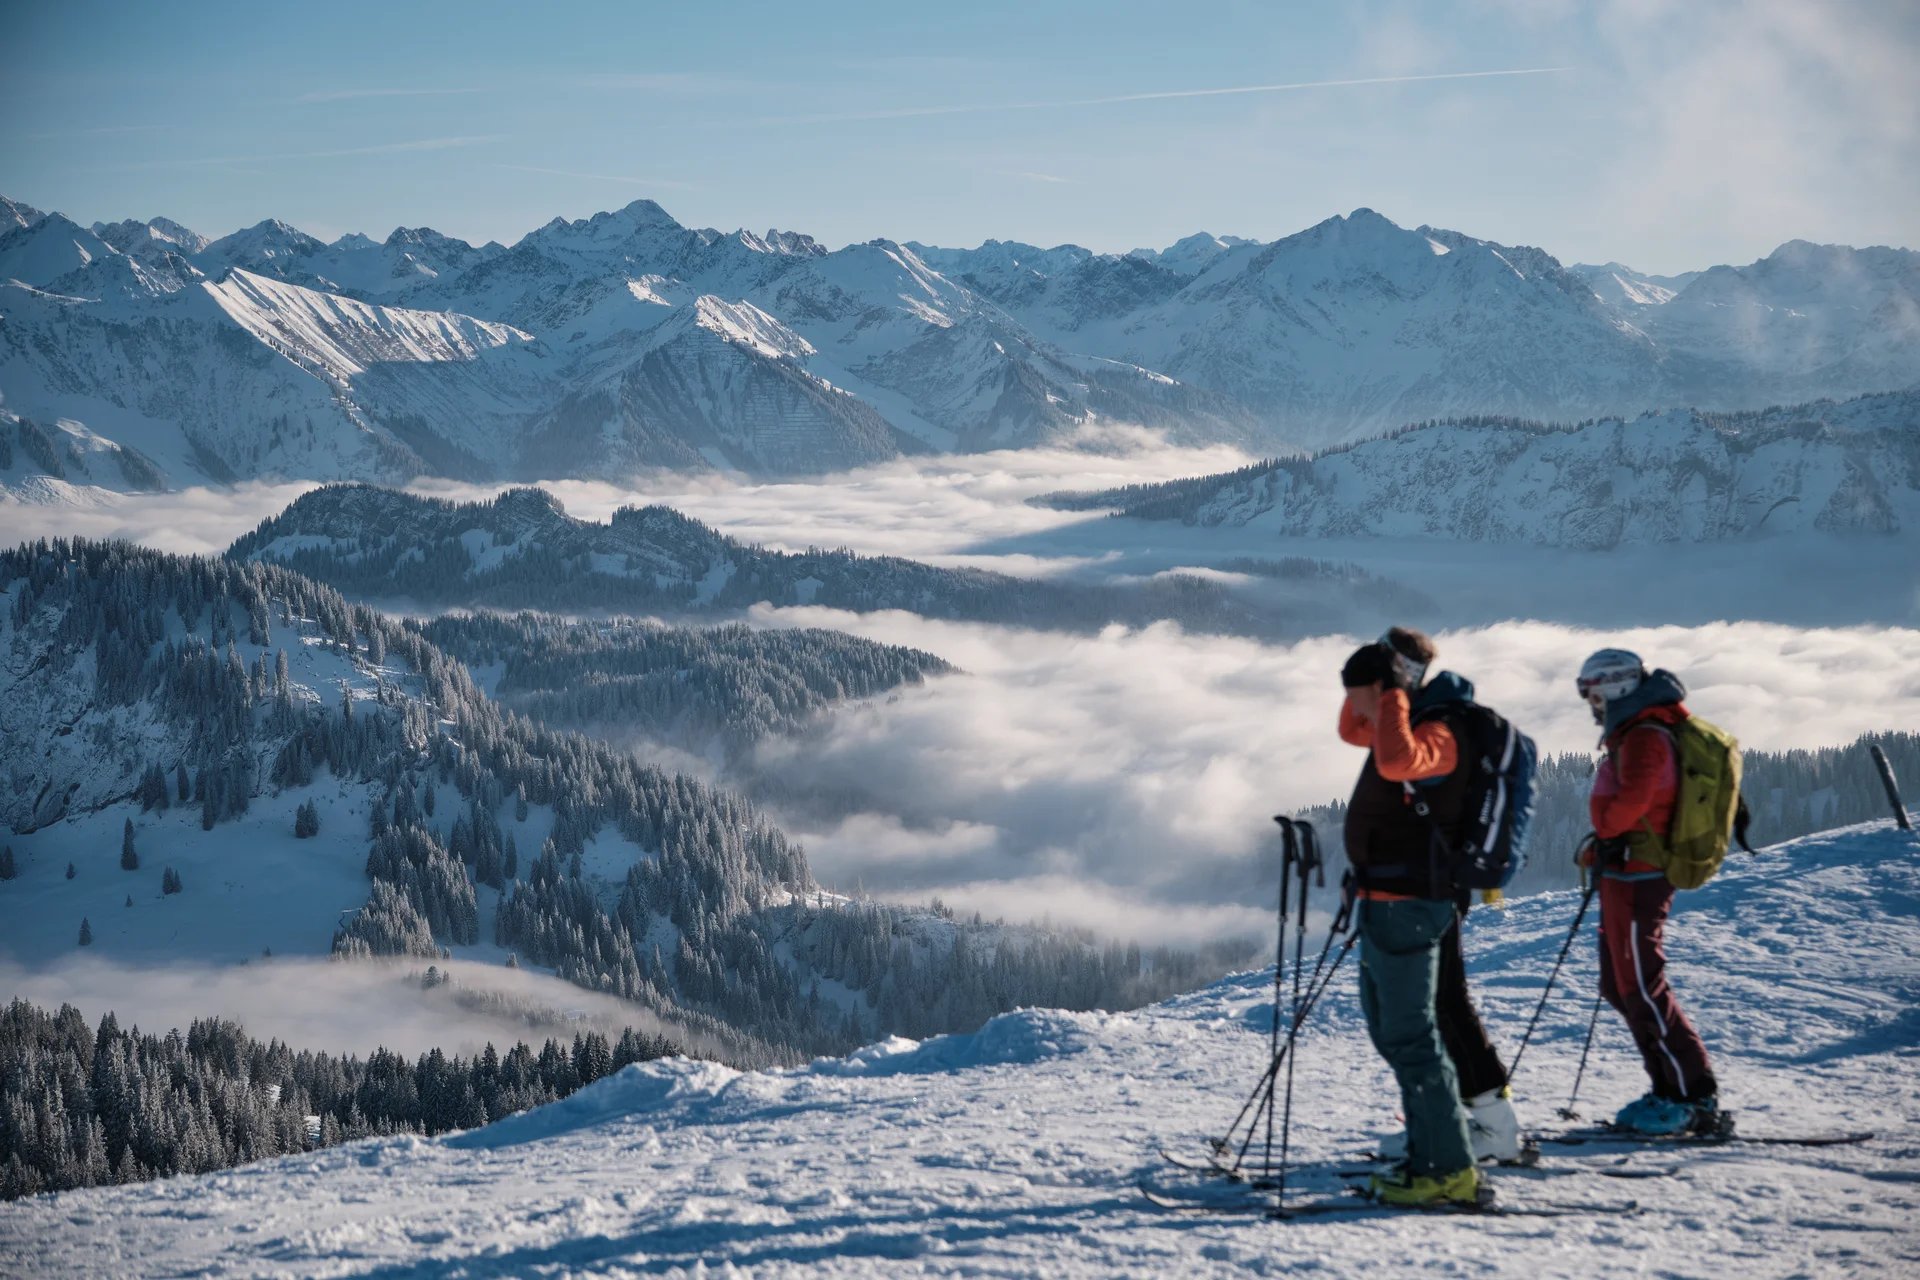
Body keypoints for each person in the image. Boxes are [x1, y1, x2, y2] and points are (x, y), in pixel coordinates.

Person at [1338, 627, 1494, 1206]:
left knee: (1412, 1037)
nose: (1360, 713)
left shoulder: (1440, 730)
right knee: (1392, 1032)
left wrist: (1391, 692)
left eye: (1364, 697)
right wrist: (1378, 689)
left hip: (1410, 904)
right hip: (1383, 903)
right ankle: (1429, 1150)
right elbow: (1351, 729)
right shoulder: (1398, 719)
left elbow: (1401, 760)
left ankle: (1449, 1169)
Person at [1576, 649, 1719, 1135]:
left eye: (1591, 691)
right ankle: (1666, 1088)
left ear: (1613, 687)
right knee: (1618, 986)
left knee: (1640, 983)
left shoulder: (1643, 735)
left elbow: (1628, 805)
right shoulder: (1635, 731)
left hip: (1641, 875)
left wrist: (1604, 826)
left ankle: (1693, 1096)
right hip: (1625, 871)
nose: (1590, 703)